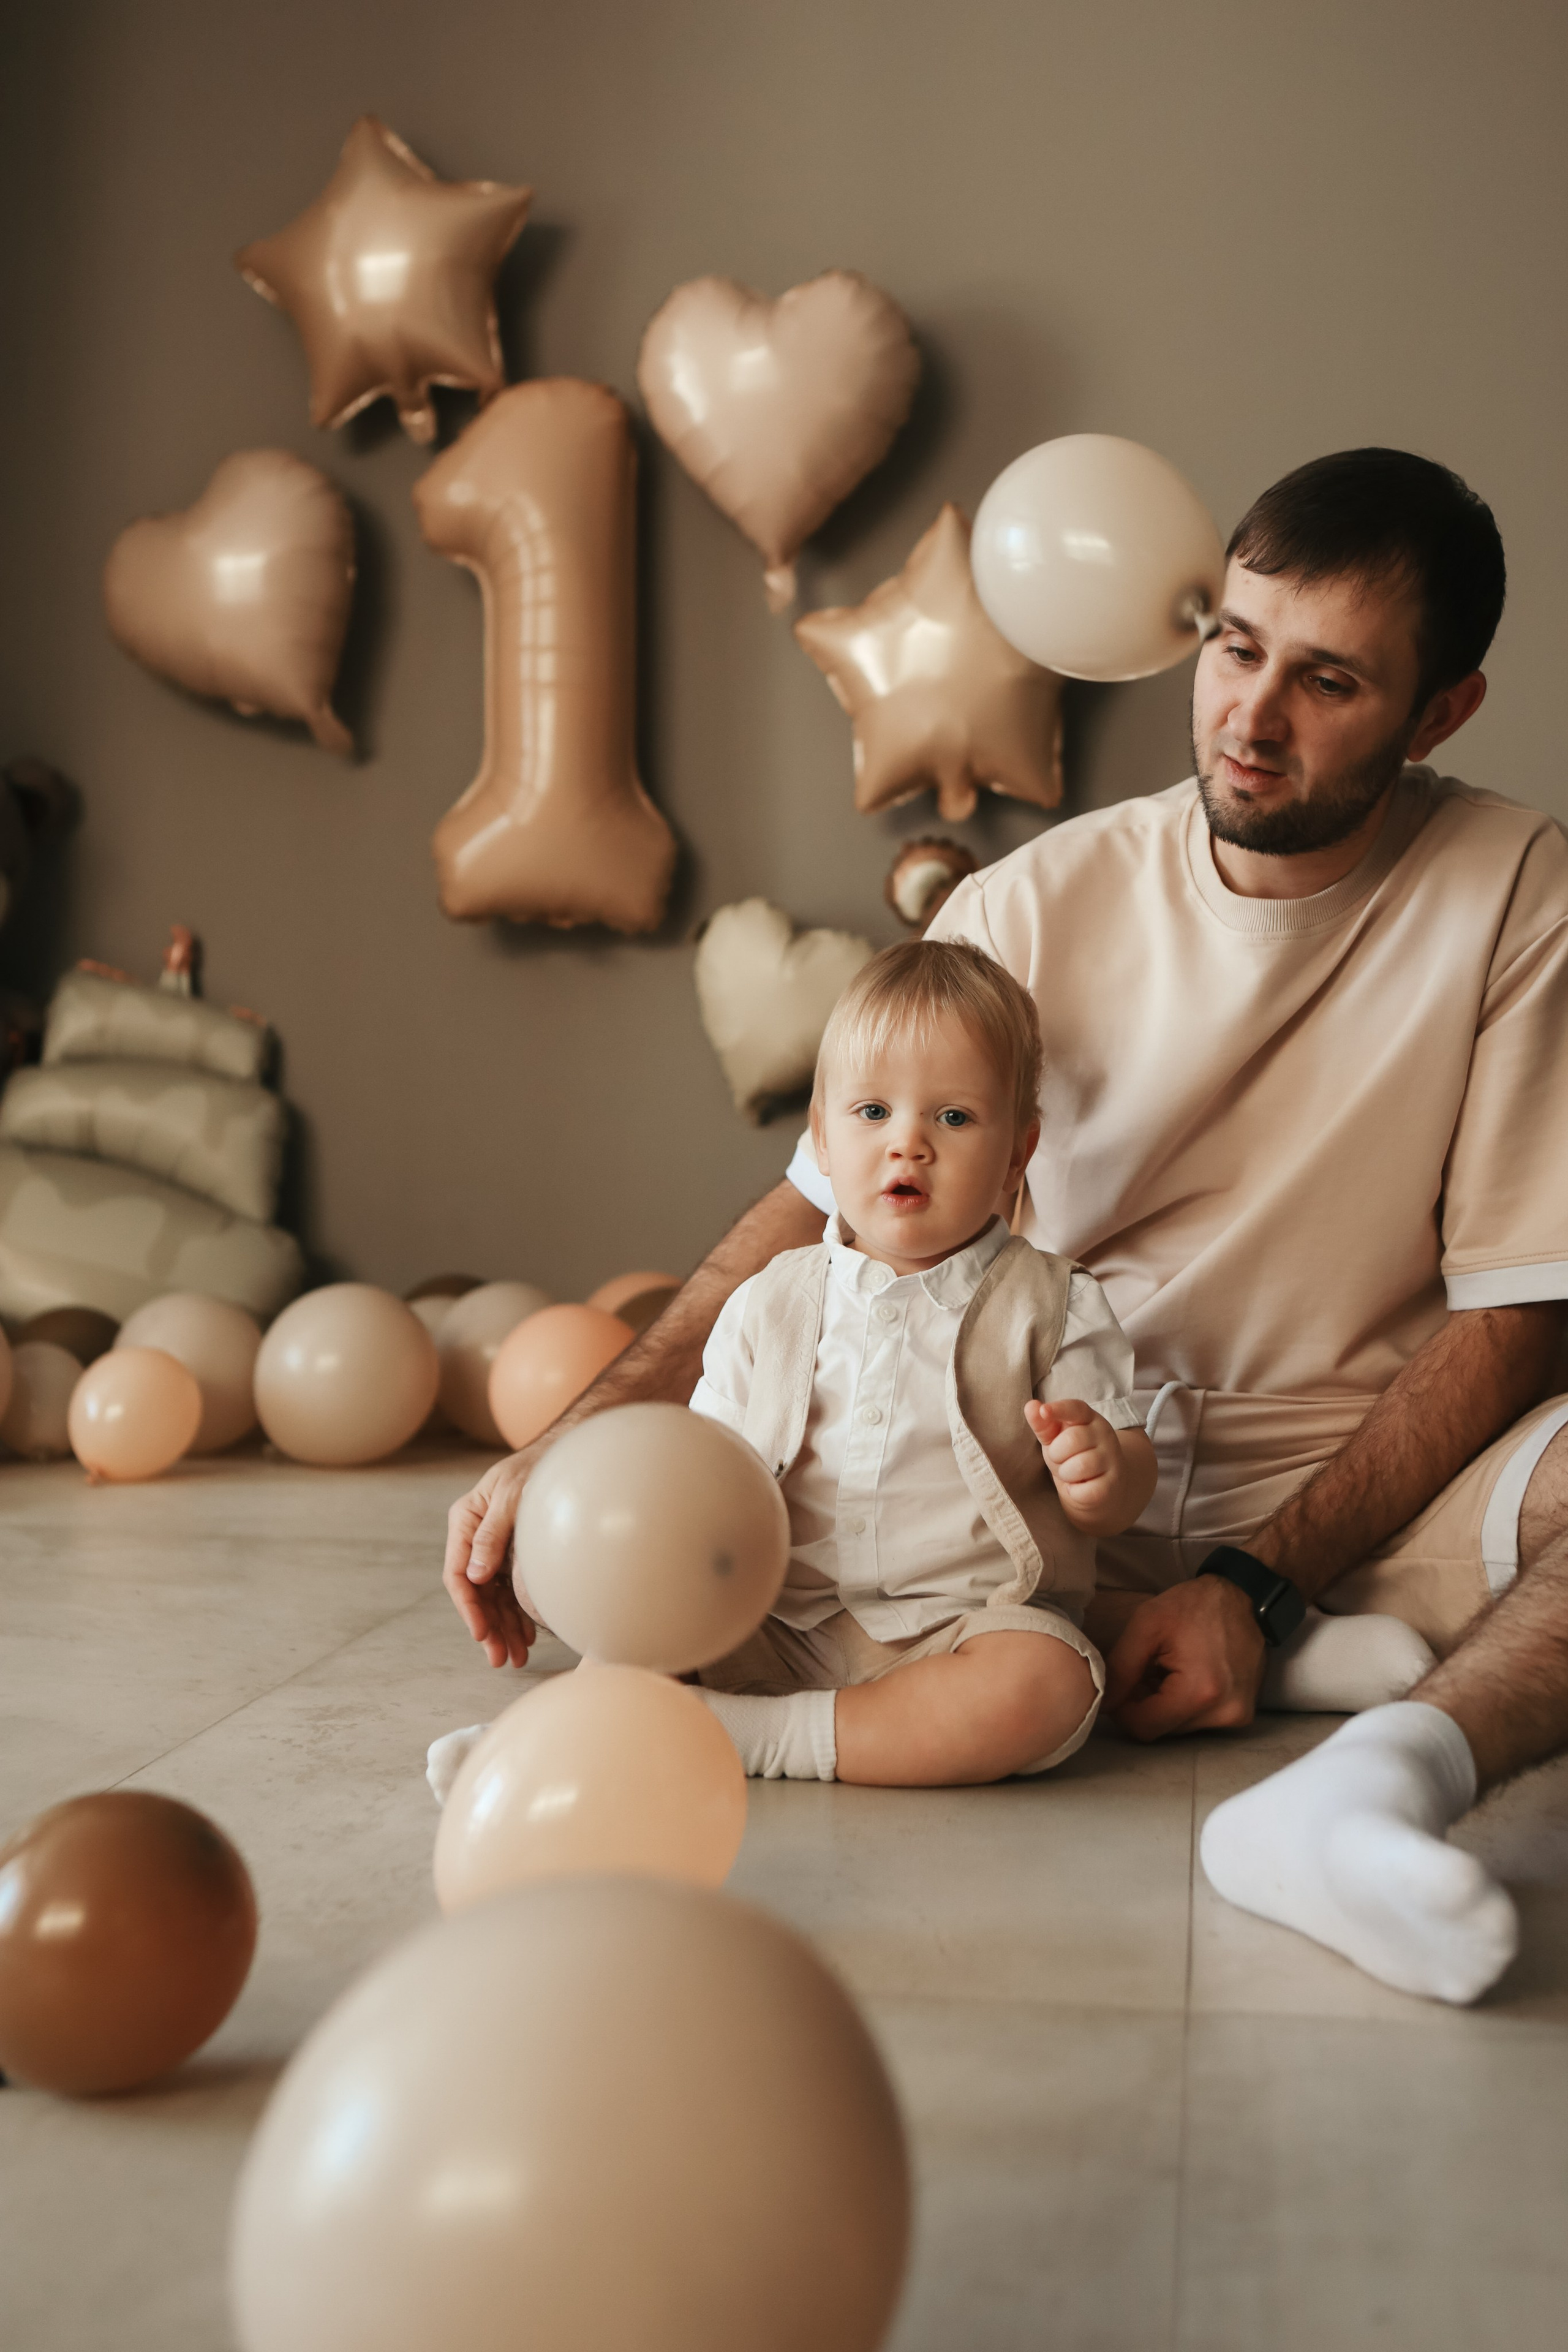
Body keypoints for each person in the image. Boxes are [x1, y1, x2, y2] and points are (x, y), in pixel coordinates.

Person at [442, 447, 1568, 1998]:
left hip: (1362, 1483)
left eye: (1328, 682)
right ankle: (1200, 1654)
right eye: (1234, 647)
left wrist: (1254, 1581)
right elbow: (808, 1219)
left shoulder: (1513, 887)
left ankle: (1369, 1788)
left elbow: (1517, 1310)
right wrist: (565, 1441)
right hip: (1029, 1489)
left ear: (1439, 711)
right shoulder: (1031, 905)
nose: (1249, 717)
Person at [435, 938, 1156, 1793]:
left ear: (1016, 1155)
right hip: (766, 1619)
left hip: (957, 1633)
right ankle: (560, 1738)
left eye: (954, 1118)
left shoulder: (1053, 1301)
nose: (909, 1146)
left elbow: (1127, 1463)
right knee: (627, 1587)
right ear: (819, 1139)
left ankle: (751, 1738)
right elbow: (700, 1474)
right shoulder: (769, 1302)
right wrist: (614, 1544)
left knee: (1052, 1685)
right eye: (872, 1113)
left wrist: (1102, 1471)